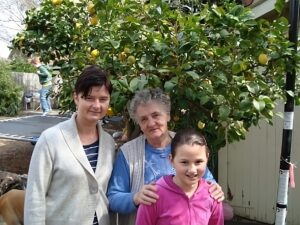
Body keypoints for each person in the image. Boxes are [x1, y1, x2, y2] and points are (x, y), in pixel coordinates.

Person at [107, 88, 225, 225]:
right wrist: (135, 197)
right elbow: (113, 198)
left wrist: (216, 189)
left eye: (156, 115)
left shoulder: (185, 143)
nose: (151, 123)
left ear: (168, 115)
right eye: (144, 119)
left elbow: (206, 181)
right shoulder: (128, 153)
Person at [24, 65, 116, 225]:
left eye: (103, 99)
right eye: (89, 98)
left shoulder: (108, 142)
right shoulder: (51, 139)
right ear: (76, 97)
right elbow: (35, 196)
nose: (97, 105)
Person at [135, 128, 224, 225]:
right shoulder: (153, 196)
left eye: (198, 162)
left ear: (207, 158)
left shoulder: (213, 195)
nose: (192, 170)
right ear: (171, 160)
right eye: (184, 162)